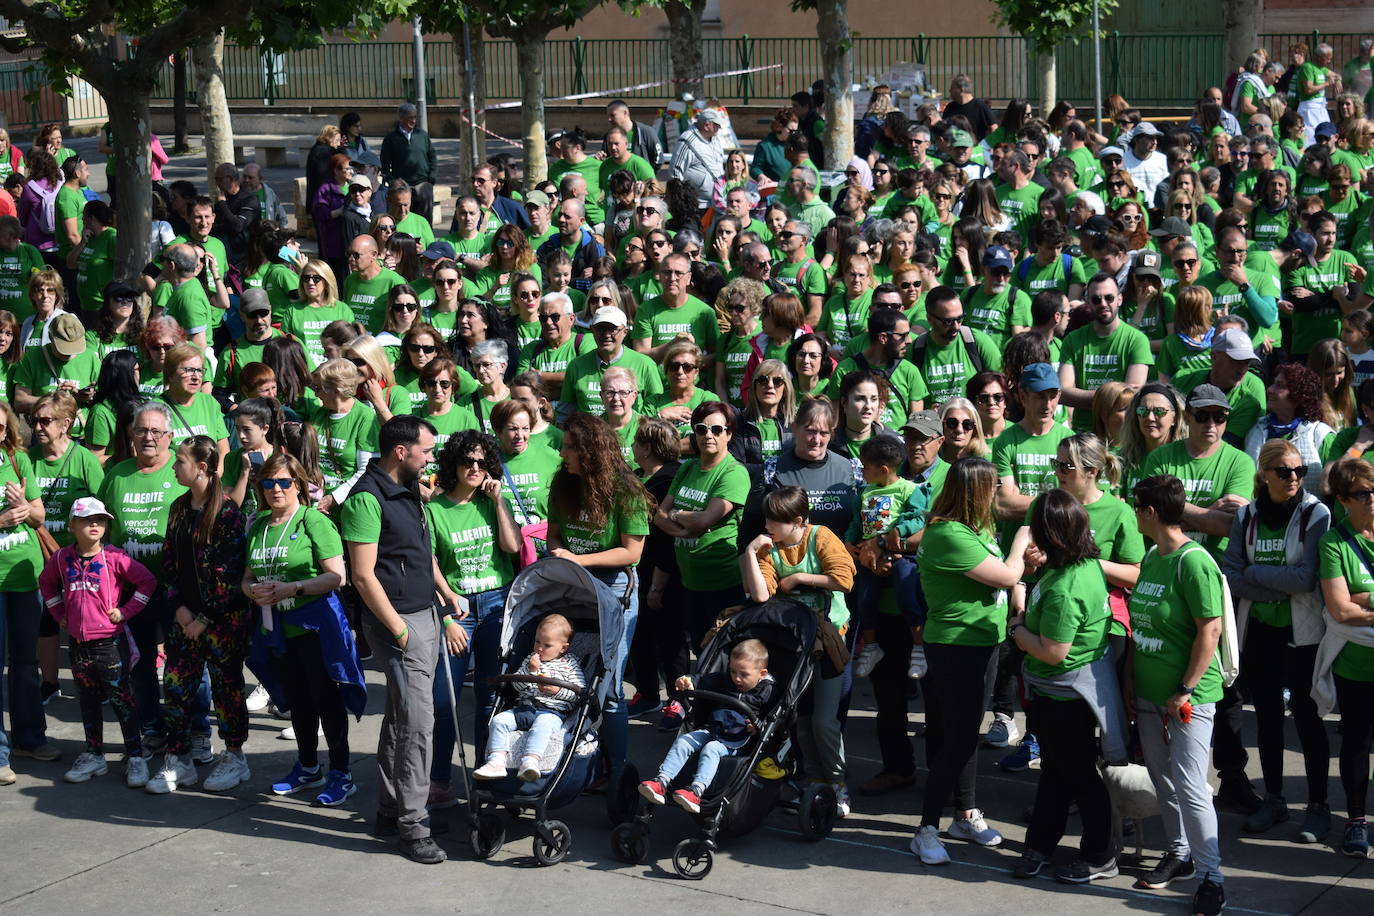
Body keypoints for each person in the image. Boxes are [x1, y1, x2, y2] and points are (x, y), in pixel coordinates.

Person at [912, 457, 1031, 865]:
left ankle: (965, 814)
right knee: (957, 739)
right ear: (976, 492)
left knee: (964, 735)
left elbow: (1005, 576)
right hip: (955, 647)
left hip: (984, 643)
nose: (998, 495)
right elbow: (1004, 575)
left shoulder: (975, 529)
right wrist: (1022, 541)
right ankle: (926, 828)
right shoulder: (947, 533)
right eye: (993, 489)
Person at [342, 416, 450, 863]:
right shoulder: (366, 499)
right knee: (418, 726)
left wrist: (445, 591)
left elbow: (421, 553)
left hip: (424, 614)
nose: (430, 460)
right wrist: (401, 630)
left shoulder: (408, 488)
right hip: (398, 624)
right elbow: (363, 576)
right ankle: (413, 824)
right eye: (425, 452)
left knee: (403, 717)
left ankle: (391, 809)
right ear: (401, 452)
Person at [1221, 439, 1333, 841]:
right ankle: (1274, 798)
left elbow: (1306, 578)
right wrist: (1269, 586)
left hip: (1302, 635)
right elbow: (1231, 573)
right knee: (1267, 719)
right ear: (1264, 474)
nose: (1294, 478)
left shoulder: (1314, 513)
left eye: (1299, 471)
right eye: (1284, 471)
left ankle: (1318, 806)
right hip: (1260, 633)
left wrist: (1256, 578)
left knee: (1307, 718)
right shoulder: (1247, 516)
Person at [1127, 474, 1229, 916]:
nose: (1134, 513)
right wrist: (1133, 681)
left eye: (1137, 507)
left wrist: (1184, 688)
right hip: (1150, 696)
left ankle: (1212, 878)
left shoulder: (1194, 562)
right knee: (1163, 778)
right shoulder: (1153, 557)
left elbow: (1211, 629)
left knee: (1190, 786)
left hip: (1187, 698)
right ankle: (1180, 852)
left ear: (1150, 513)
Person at [1010, 489, 1120, 884]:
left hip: (1065, 697)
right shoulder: (1076, 565)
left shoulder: (1066, 586)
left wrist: (1019, 631)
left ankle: (1100, 855)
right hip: (1058, 694)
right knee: (1057, 774)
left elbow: (1053, 651)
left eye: (1035, 528)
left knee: (1079, 777)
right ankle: (1040, 844)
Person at [243, 452, 359, 805]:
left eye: (283, 482)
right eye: (268, 483)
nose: (275, 489)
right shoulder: (258, 524)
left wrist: (292, 589)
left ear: (298, 484)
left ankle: (342, 773)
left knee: (326, 699)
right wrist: (253, 591)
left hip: (315, 625)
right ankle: (308, 767)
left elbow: (337, 576)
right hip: (276, 627)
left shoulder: (313, 520)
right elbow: (246, 577)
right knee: (298, 701)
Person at [546, 413, 650, 784]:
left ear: (592, 450)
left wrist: (578, 560)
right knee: (572, 680)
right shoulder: (563, 483)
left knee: (609, 687)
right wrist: (560, 554)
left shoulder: (627, 490)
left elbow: (631, 553)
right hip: (572, 586)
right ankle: (572, 762)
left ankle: (616, 770)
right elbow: (554, 535)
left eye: (571, 447)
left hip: (615, 588)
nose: (564, 452)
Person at [147, 436, 252, 795]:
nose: (174, 466)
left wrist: (203, 618)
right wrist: (179, 610)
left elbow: (232, 574)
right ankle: (179, 760)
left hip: (222, 622)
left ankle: (234, 755)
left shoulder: (227, 513)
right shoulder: (178, 508)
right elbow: (169, 565)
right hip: (183, 620)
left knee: (227, 688)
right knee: (176, 688)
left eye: (180, 461)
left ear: (202, 468)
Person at [425, 429, 517, 799]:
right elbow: (428, 565)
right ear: (454, 464)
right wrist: (447, 614)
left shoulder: (492, 501)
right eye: (468, 462)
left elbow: (511, 546)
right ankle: (439, 779)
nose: (475, 468)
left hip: (497, 602)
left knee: (490, 698)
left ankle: (486, 774)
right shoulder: (434, 509)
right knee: (444, 700)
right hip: (458, 609)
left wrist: (498, 502)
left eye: (482, 462)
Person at [39, 498, 156, 787]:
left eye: (100, 520)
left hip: (110, 644)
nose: (95, 525)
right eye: (87, 520)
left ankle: (136, 756)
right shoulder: (61, 558)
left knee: (122, 700)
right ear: (72, 525)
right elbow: (46, 583)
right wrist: (57, 613)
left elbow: (147, 582)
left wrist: (125, 611)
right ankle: (94, 754)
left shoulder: (115, 557)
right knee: (88, 700)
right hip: (79, 646)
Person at [637, 638, 775, 813]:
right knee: (684, 740)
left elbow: (773, 716)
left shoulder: (767, 692)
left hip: (738, 740)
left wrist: (758, 726)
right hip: (713, 729)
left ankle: (696, 790)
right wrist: (688, 680)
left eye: (744, 674)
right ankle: (661, 781)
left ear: (762, 674)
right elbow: (703, 680)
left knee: (711, 749)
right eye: (732, 671)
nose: (737, 678)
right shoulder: (724, 681)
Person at [1316, 457, 1374, 859]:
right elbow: (1338, 611)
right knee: (1356, 743)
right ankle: (1356, 820)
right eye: (1362, 495)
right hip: (1356, 665)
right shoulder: (1333, 542)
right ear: (1342, 500)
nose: (1372, 500)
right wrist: (1352, 604)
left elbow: (1352, 605)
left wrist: (1364, 600)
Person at [473, 613, 585, 782]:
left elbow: (579, 693)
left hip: (551, 712)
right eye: (537, 642)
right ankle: (496, 761)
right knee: (499, 720)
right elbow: (517, 686)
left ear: (563, 648)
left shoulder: (570, 664)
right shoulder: (529, 660)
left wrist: (556, 691)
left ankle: (530, 761)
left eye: (547, 645)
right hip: (524, 708)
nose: (539, 648)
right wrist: (531, 671)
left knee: (543, 725)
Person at [380, 103, 437, 227]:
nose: (413, 120)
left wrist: (431, 179)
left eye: (415, 117)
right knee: (402, 217)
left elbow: (432, 156)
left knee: (425, 220)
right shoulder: (391, 139)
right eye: (410, 117)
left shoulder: (422, 135)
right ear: (401, 118)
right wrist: (392, 181)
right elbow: (384, 163)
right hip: (402, 186)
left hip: (422, 184)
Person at [669, 109, 728, 215]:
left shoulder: (715, 139)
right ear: (706, 125)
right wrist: (682, 203)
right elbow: (675, 173)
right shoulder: (687, 142)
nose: (719, 128)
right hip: (697, 206)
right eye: (716, 125)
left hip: (718, 203)